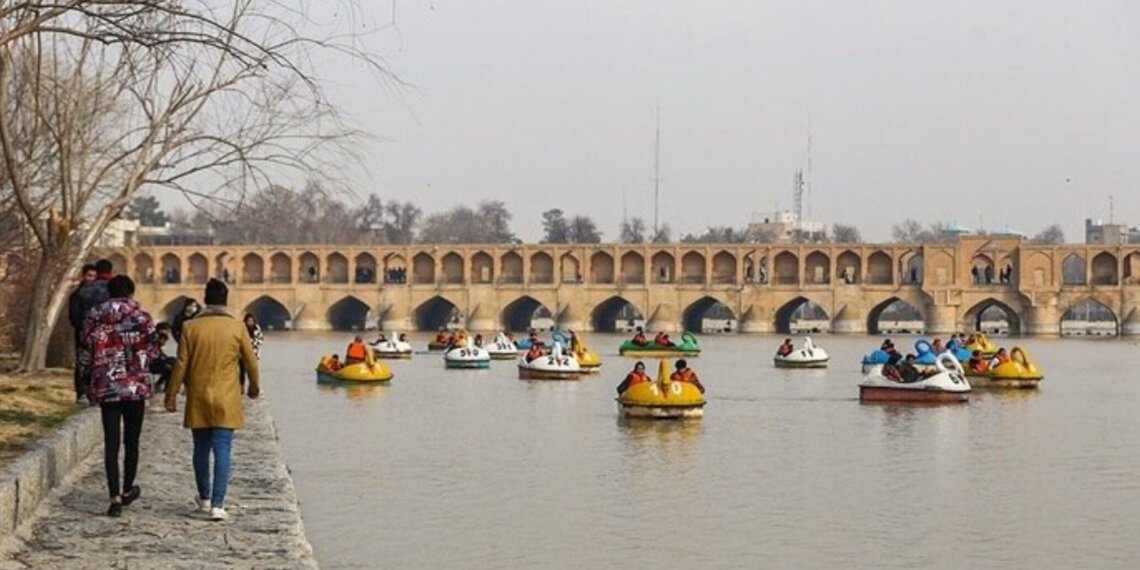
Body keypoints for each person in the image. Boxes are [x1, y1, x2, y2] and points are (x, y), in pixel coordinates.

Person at [165, 279, 260, 522]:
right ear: (226, 300)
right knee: (223, 449)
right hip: (226, 396)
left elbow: (181, 364)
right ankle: (219, 505)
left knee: (201, 448)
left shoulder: (190, 328)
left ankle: (204, 499)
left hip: (198, 394)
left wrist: (171, 394)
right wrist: (253, 388)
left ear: (205, 299)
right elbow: (250, 363)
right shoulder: (237, 328)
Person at [79, 275, 159, 517]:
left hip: (107, 386)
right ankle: (126, 490)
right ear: (131, 293)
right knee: (132, 441)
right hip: (135, 388)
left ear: (108, 293)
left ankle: (114, 498)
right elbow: (153, 352)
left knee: (111, 443)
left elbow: (84, 352)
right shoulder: (142, 318)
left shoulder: (94, 317)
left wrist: (85, 378)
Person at [68, 263, 99, 404]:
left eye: (94, 276)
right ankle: (81, 393)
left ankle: (93, 392)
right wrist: (83, 328)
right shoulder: (77, 294)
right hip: (82, 333)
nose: (91, 279)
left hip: (97, 335)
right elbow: (74, 316)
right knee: (82, 363)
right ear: (84, 276)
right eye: (89, 276)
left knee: (96, 362)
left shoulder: (99, 295)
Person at [150, 322, 178, 393]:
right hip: (152, 364)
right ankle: (166, 387)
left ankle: (161, 385)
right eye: (167, 330)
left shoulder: (156, 338)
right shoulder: (155, 338)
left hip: (157, 361)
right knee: (170, 366)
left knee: (171, 363)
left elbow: (160, 353)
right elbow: (155, 355)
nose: (168, 334)